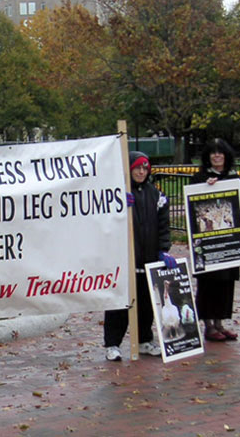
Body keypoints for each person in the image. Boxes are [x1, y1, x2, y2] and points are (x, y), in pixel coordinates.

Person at [104, 151, 176, 361]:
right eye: (137, 167)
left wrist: (163, 250)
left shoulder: (157, 196)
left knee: (146, 304)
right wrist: (118, 206)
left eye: (145, 168)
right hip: (124, 259)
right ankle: (112, 344)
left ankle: (144, 339)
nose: (142, 172)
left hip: (148, 260)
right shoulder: (117, 193)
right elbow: (105, 222)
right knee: (119, 305)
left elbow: (163, 227)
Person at [190, 139, 240, 342]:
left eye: (221, 153)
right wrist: (206, 187)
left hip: (228, 240)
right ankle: (208, 324)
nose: (217, 156)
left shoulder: (233, 178)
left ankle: (220, 322)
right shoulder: (199, 178)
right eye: (213, 153)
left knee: (226, 283)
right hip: (208, 242)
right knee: (209, 283)